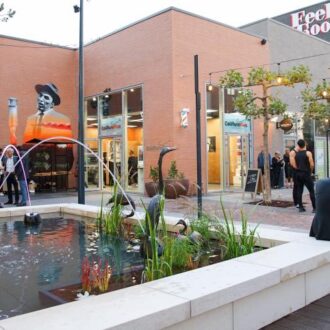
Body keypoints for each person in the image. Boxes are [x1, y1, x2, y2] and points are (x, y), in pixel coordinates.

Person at [290, 139, 316, 213]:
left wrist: (298, 169)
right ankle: (315, 208)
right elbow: (312, 164)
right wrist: (310, 171)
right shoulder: (308, 153)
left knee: (299, 190)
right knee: (311, 190)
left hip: (298, 174)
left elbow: (293, 164)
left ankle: (300, 207)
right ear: (304, 144)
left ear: (298, 145)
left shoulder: (296, 154)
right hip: (306, 173)